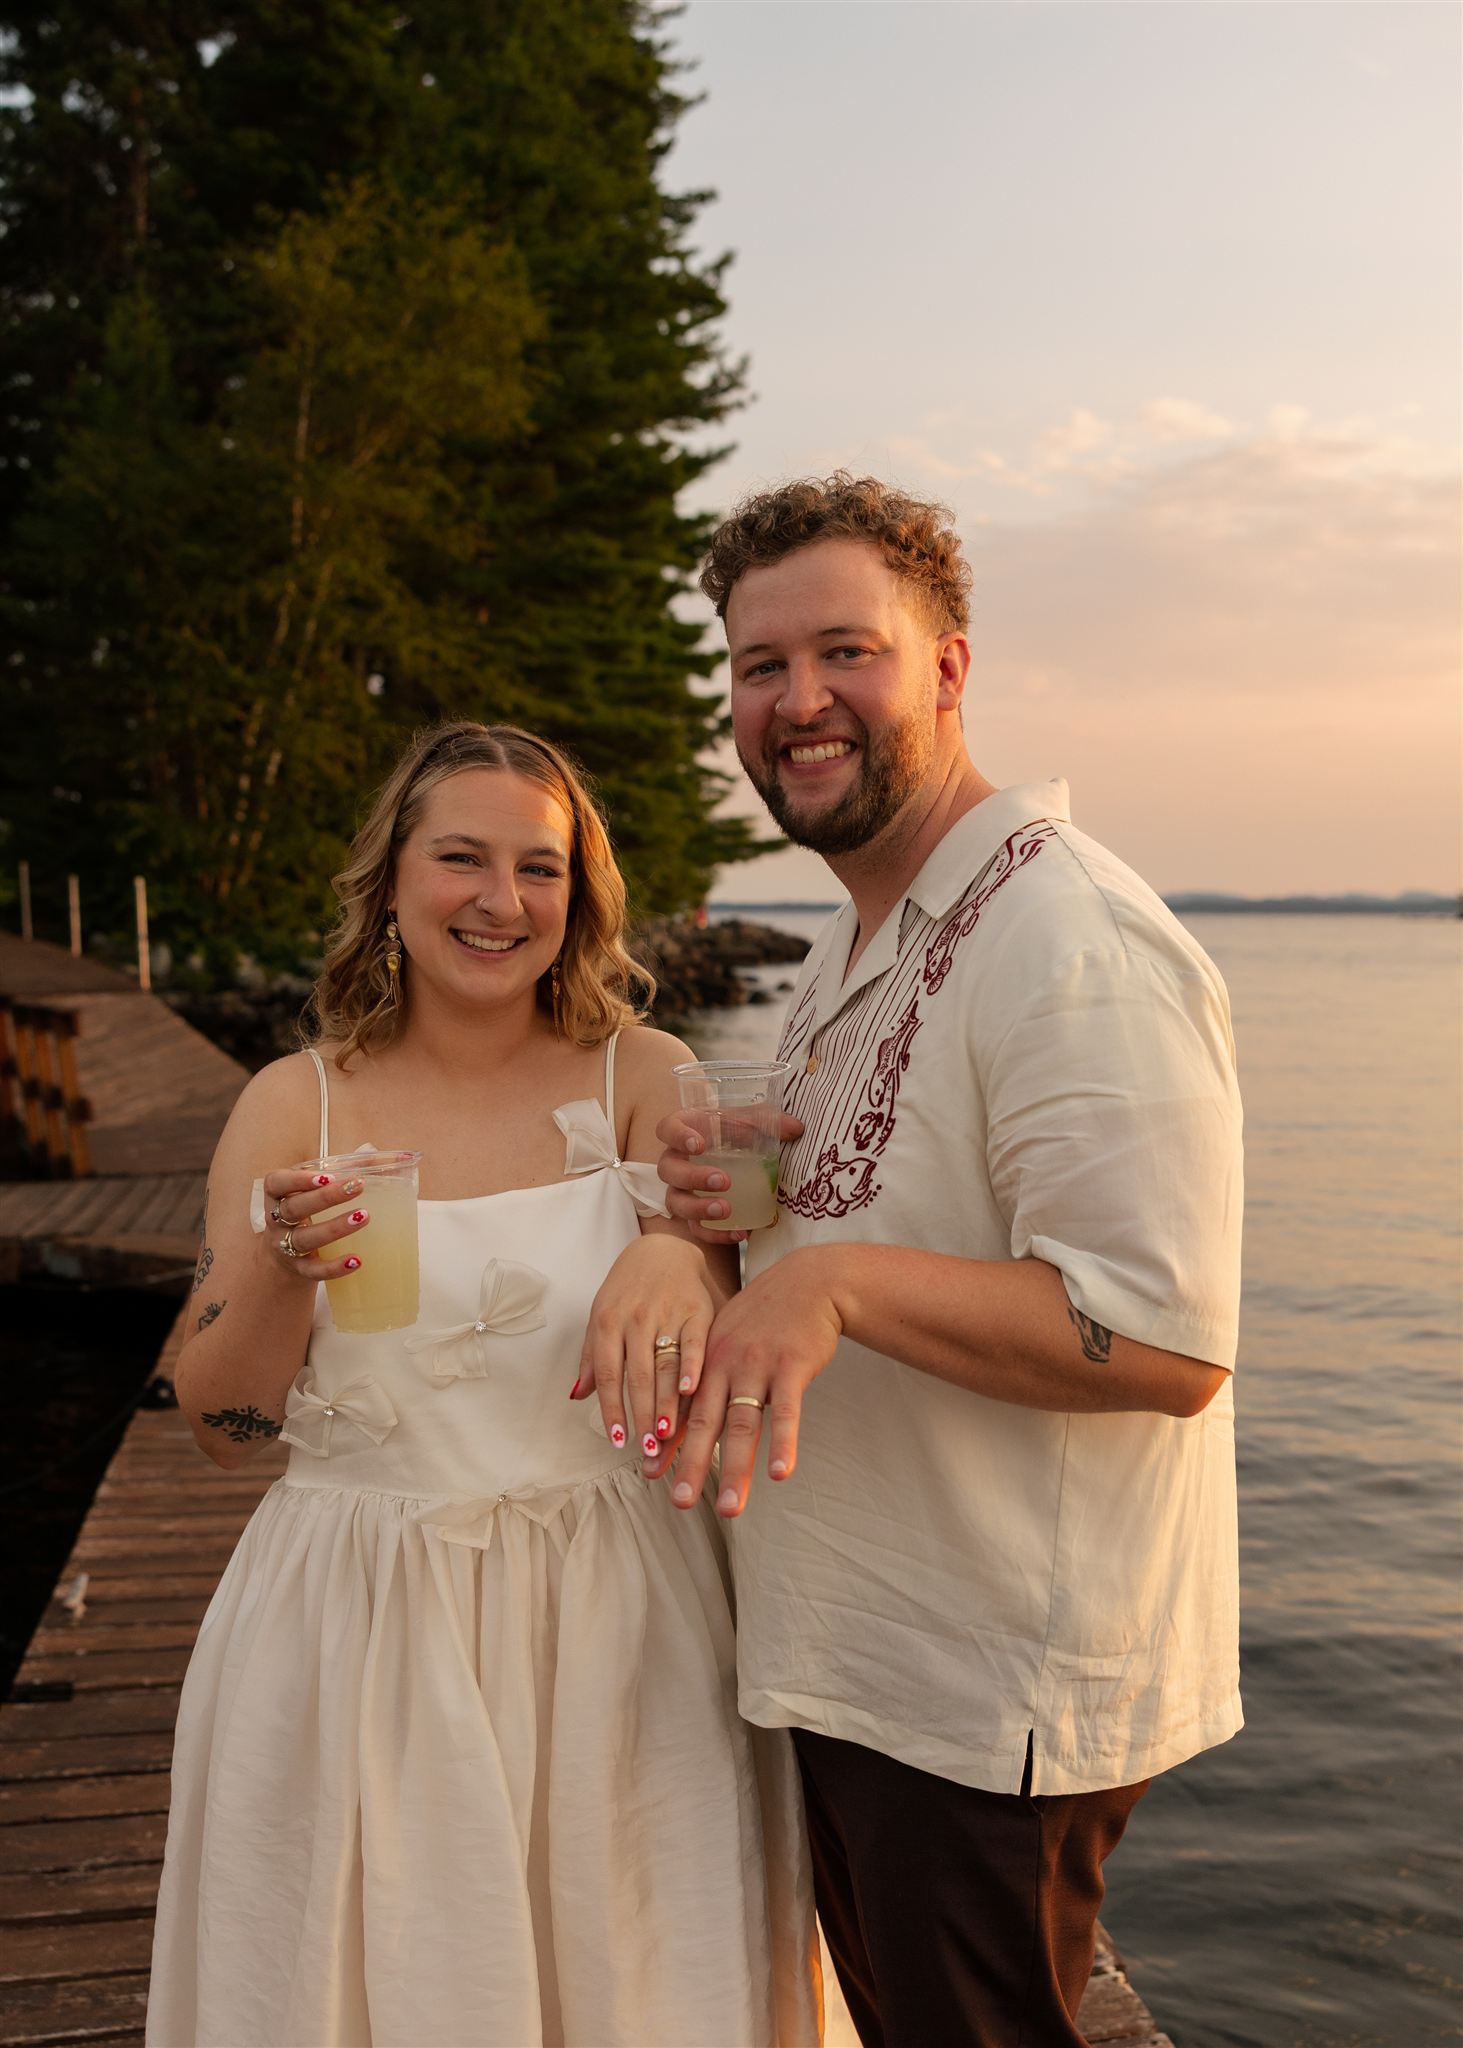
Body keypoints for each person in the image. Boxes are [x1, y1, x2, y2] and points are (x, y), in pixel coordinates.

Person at [637, 476, 1244, 2047]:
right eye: (761, 666)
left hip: (986, 1695)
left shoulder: (1069, 934)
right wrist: (755, 1204)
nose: (799, 700)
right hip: (867, 1659)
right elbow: (903, 1200)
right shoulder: (861, 937)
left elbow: (1164, 1339)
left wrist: (830, 1281)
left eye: (847, 650)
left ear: (949, 668)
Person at [147, 722, 820, 2048]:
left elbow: (714, 1310)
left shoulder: (647, 1075)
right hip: (359, 1621)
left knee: (635, 1975)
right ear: (392, 881)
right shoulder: (294, 1105)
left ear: (580, 896)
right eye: (461, 858)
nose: (501, 900)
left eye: (539, 868)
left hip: (618, 1619)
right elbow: (223, 1429)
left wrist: (682, 1253)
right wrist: (281, 1265)